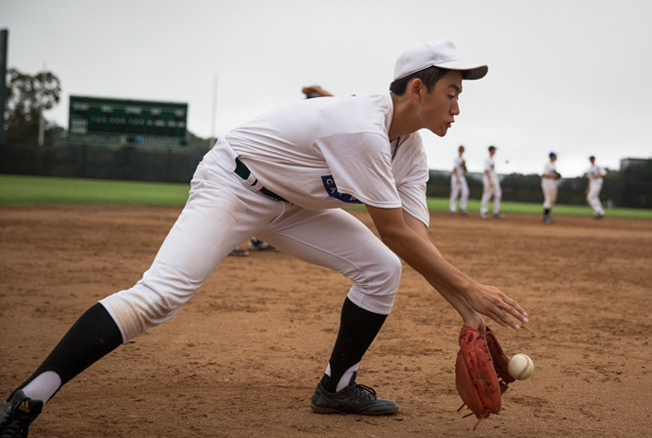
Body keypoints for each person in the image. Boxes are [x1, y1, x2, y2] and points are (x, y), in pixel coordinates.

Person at [0, 40, 529, 436]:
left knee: (381, 269)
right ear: (419, 89)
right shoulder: (361, 127)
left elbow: (412, 239)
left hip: (293, 206)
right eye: (452, 93)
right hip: (234, 184)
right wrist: (472, 290)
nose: (458, 107)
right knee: (158, 297)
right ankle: (28, 399)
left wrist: (467, 310)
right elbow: (391, 228)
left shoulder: (409, 149)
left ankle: (336, 388)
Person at [229, 86, 334, 256]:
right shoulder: (303, 118)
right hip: (259, 165)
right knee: (250, 200)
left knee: (275, 201)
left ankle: (257, 240)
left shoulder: (312, 118)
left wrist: (318, 91)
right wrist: (318, 90)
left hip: (279, 168)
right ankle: (229, 240)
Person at [480, 145, 503, 219]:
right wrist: (490, 181)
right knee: (487, 195)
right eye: (494, 150)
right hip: (488, 178)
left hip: (494, 178)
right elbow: (486, 171)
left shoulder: (492, 159)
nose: (495, 151)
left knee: (498, 194)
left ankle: (496, 212)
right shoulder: (487, 159)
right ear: (491, 150)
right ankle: (483, 211)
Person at [540, 152, 561, 224]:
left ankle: (547, 216)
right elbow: (544, 175)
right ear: (552, 157)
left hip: (553, 185)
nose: (556, 157)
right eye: (555, 156)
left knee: (552, 200)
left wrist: (556, 175)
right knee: (548, 199)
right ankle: (546, 217)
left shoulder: (553, 165)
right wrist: (554, 176)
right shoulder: (547, 165)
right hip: (548, 185)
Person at [450, 145, 469, 215]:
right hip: (456, 176)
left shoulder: (463, 160)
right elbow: (454, 169)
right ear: (459, 150)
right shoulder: (456, 159)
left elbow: (466, 170)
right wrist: (457, 178)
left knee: (466, 192)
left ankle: (462, 208)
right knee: (455, 193)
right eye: (461, 149)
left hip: (462, 176)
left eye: (462, 149)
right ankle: (453, 209)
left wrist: (464, 164)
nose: (461, 151)